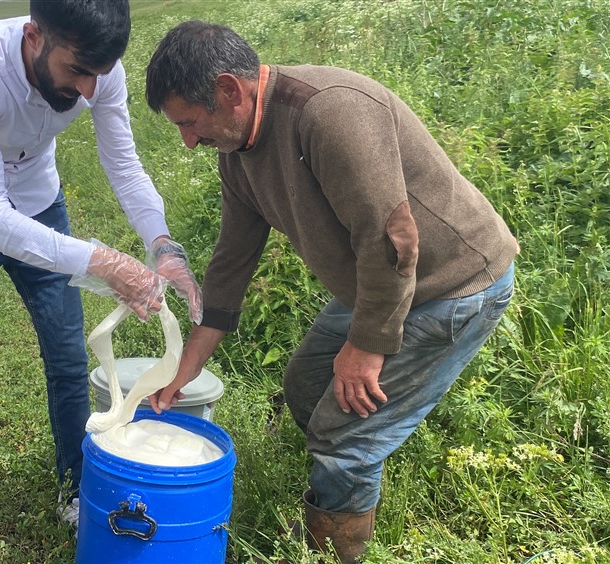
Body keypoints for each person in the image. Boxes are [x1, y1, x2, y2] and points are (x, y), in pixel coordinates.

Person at [144, 21, 518, 563]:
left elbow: (392, 241)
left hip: (451, 284)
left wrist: (366, 349)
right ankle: (343, 482)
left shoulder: (329, 112)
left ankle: (330, 547)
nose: (188, 140)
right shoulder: (238, 150)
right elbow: (231, 263)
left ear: (229, 90)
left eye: (190, 122)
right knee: (308, 384)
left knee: (345, 436)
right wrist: (187, 366)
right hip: (379, 284)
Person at [0, 2, 202, 563]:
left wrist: (162, 245)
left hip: (41, 210)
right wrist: (104, 262)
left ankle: (76, 486)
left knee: (69, 359)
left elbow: (123, 163)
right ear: (34, 37)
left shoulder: (100, 71)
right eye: (77, 73)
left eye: (100, 75)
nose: (91, 90)